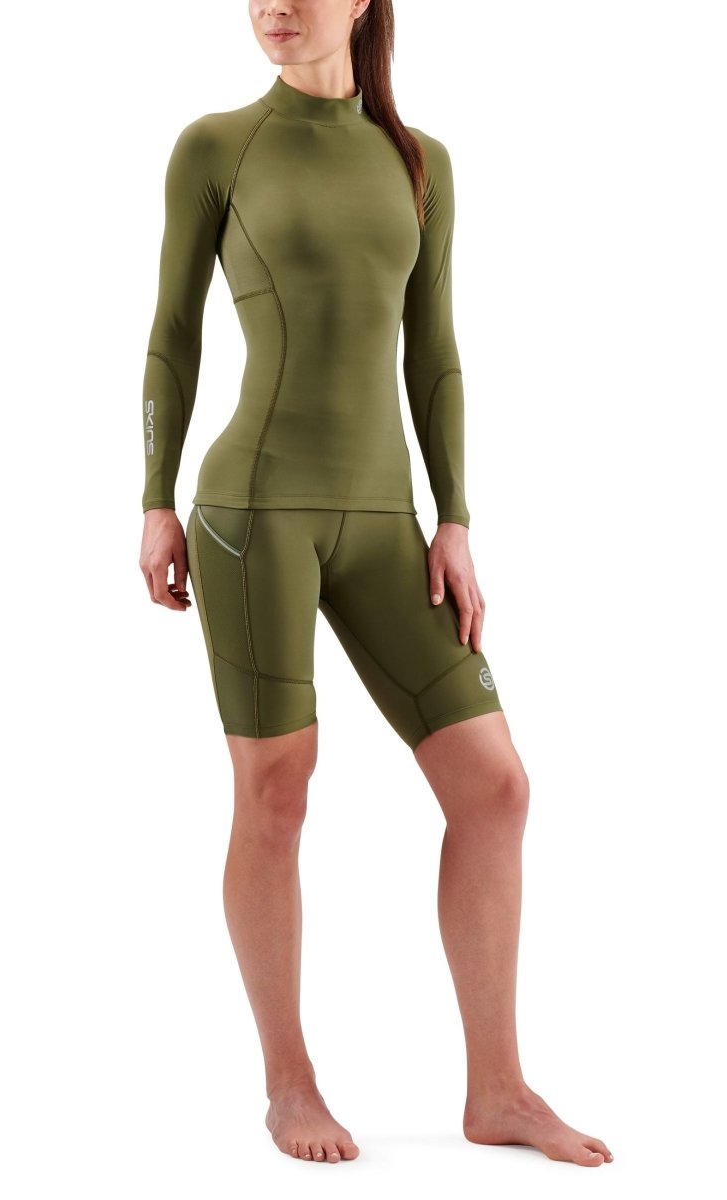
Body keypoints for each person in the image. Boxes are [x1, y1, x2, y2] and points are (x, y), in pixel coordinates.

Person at [138, 0, 613, 1170]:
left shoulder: (419, 161)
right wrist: (154, 496)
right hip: (254, 513)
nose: (274, 7)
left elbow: (433, 349)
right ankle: (288, 1084)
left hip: (384, 523)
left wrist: (455, 518)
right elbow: (172, 331)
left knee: (495, 786)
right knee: (278, 792)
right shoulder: (216, 146)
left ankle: (498, 1090)